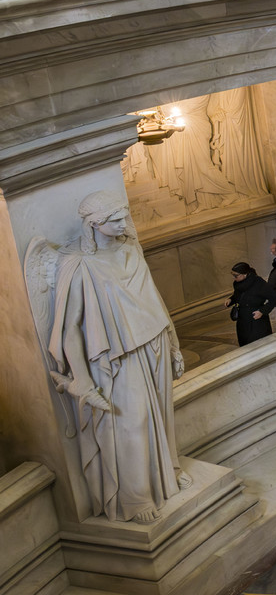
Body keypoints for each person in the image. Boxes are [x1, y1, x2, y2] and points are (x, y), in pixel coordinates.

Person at [42, 191, 189, 523]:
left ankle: (164, 474)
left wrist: (174, 344)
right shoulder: (79, 265)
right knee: (131, 422)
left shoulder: (130, 249)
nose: (126, 224)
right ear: (94, 224)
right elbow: (71, 327)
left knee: (161, 417)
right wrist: (80, 377)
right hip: (119, 356)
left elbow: (155, 301)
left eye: (124, 216)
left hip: (153, 342)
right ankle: (135, 498)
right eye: (116, 219)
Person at [227, 262, 274, 346]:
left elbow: (274, 298)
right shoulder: (238, 284)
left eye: (236, 276)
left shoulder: (259, 282)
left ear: (245, 274)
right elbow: (238, 295)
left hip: (257, 321)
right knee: (245, 345)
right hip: (243, 321)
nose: (234, 278)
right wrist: (231, 299)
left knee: (259, 346)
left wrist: (262, 311)